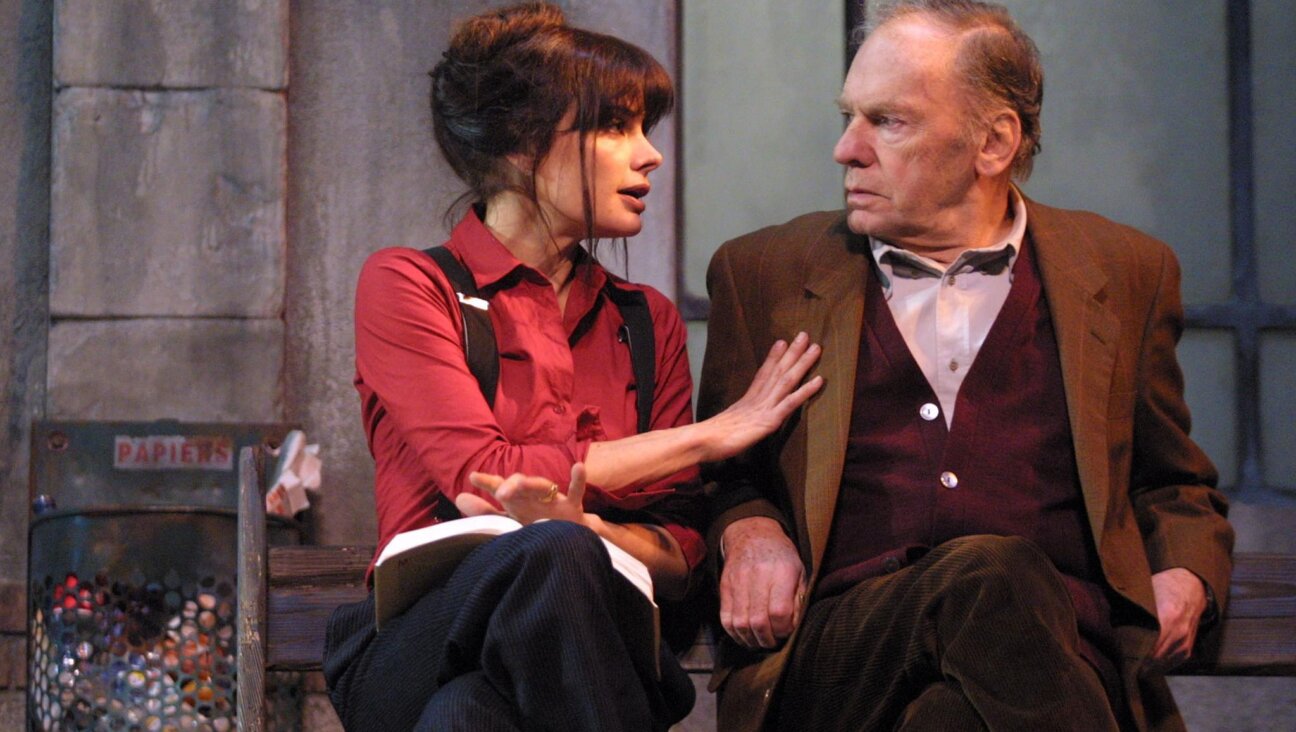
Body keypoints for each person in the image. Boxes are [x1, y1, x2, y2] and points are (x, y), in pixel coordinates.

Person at [698, 1, 1234, 730]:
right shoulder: (763, 272)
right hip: (841, 655)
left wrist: (1187, 569)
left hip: (1062, 648)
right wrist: (750, 534)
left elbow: (1171, 478)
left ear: (994, 142)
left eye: (888, 121)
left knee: (950, 716)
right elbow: (724, 474)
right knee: (988, 574)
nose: (845, 148)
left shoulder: (1126, 271)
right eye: (850, 115)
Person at [321, 3, 821, 731]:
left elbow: (681, 554)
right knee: (547, 554)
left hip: (566, 657)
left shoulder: (645, 321)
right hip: (417, 642)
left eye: (646, 128)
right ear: (524, 146)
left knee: (467, 714)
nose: (648, 154)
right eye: (616, 127)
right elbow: (482, 477)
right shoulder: (410, 285)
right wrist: (712, 436)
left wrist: (589, 527)